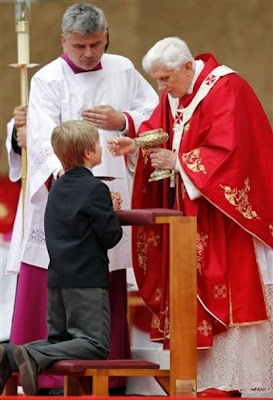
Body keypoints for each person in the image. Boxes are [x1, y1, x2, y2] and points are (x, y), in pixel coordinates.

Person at [6, 2, 158, 393]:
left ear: (106, 37)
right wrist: (68, 180)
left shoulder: (123, 68)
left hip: (109, 190)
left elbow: (155, 114)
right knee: (58, 278)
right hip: (64, 194)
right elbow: (40, 137)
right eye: (79, 46)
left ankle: (102, 376)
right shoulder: (48, 78)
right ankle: (50, 374)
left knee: (99, 279)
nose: (89, 53)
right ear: (64, 41)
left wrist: (124, 120)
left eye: (95, 44)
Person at [107, 37, 273, 396]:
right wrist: (136, 145)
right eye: (157, 80)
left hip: (227, 221)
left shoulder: (227, 88)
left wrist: (180, 163)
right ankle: (210, 381)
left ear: (187, 67)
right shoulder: (177, 91)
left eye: (165, 79)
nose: (160, 88)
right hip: (192, 217)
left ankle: (241, 382)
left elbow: (232, 151)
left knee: (233, 295)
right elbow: (160, 130)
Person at [0, 119, 123, 396]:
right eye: (97, 144)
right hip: (87, 281)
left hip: (57, 279)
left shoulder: (56, 188)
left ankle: (9, 355)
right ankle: (31, 356)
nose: (99, 147)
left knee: (59, 339)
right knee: (95, 344)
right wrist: (111, 209)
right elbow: (110, 236)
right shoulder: (96, 190)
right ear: (89, 154)